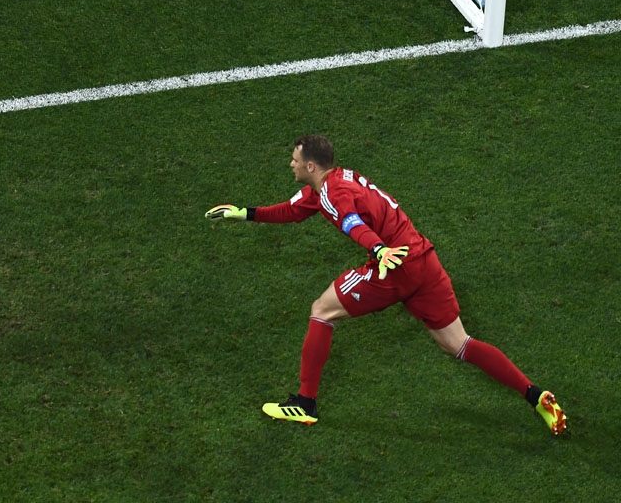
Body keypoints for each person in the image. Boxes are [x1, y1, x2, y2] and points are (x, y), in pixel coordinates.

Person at [206, 134, 567, 435]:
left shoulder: (333, 193)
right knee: (459, 344)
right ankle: (536, 395)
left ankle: (305, 403)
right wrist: (245, 213)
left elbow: (350, 221)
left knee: (321, 311)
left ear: (311, 166)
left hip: (392, 267)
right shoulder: (334, 182)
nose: (291, 164)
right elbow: (291, 210)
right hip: (424, 261)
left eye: (295, 160)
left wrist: (378, 249)